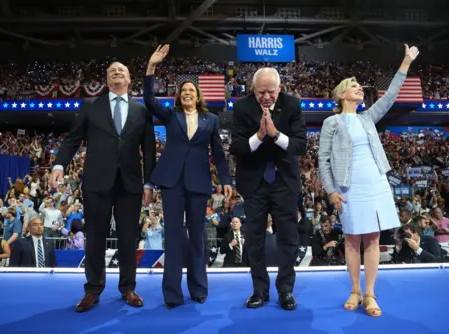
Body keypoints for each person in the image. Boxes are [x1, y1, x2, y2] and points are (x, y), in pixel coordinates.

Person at [318, 44, 420, 317]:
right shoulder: (332, 123)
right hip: (348, 187)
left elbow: (391, 96)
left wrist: (406, 62)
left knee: (373, 240)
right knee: (351, 240)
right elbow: (322, 161)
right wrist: (331, 191)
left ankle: (370, 293)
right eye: (355, 86)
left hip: (375, 183)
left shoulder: (368, 118)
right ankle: (354, 289)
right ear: (341, 94)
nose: (360, 88)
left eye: (361, 86)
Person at [50, 61, 156, 313]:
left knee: (128, 238)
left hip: (130, 183)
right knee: (95, 237)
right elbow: (73, 138)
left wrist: (150, 182)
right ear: (107, 81)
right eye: (111, 71)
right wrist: (59, 165)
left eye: (122, 71)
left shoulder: (141, 111)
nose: (117, 73)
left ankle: (128, 288)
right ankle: (92, 290)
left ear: (130, 80)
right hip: (97, 182)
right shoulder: (90, 106)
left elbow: (149, 150)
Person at [144, 45, 232, 308]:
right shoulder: (171, 116)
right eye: (183, 91)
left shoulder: (211, 120)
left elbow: (217, 152)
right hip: (171, 182)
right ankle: (172, 294)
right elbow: (149, 100)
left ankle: (199, 288)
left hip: (198, 183)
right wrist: (151, 67)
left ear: (198, 95)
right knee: (172, 236)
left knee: (197, 237)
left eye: (191, 91)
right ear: (179, 97)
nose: (187, 94)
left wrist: (226, 180)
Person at [230, 67, 306, 310]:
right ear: (253, 89)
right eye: (261, 92)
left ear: (279, 89)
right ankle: (259, 291)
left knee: (288, 239)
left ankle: (285, 290)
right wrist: (259, 136)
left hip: (284, 182)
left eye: (271, 92)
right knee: (254, 240)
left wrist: (276, 134)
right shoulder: (242, 108)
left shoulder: (292, 105)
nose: (266, 97)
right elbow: (237, 147)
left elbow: (301, 145)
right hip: (254, 183)